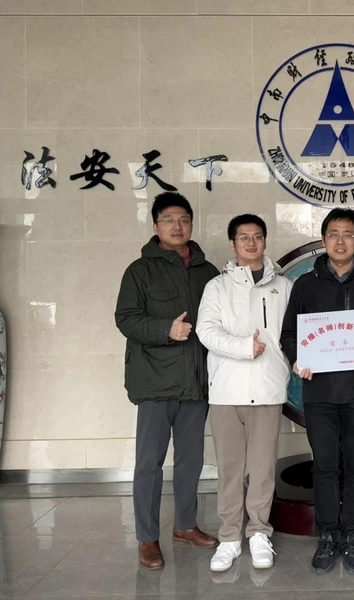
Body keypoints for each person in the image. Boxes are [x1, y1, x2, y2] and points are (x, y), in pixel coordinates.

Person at [280, 208, 354, 574]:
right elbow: (289, 334)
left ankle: (353, 535)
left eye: (348, 234)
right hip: (320, 393)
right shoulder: (306, 285)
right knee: (325, 466)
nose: (340, 240)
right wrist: (298, 359)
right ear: (324, 240)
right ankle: (328, 534)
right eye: (334, 233)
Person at [115, 192, 220, 570]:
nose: (178, 226)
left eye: (184, 219)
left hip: (196, 381)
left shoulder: (208, 272)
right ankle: (147, 537)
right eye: (169, 220)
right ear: (156, 226)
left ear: (191, 224)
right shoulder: (139, 271)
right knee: (149, 463)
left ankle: (185, 526)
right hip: (155, 382)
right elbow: (126, 319)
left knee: (191, 460)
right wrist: (165, 330)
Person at [196, 214, 293, 572]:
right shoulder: (216, 287)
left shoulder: (284, 287)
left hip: (267, 390)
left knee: (263, 469)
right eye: (243, 237)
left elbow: (295, 333)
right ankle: (229, 538)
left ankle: (259, 533)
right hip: (226, 391)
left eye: (257, 237)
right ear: (232, 244)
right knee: (230, 470)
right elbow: (206, 331)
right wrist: (242, 347)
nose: (251, 243)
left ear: (265, 241)